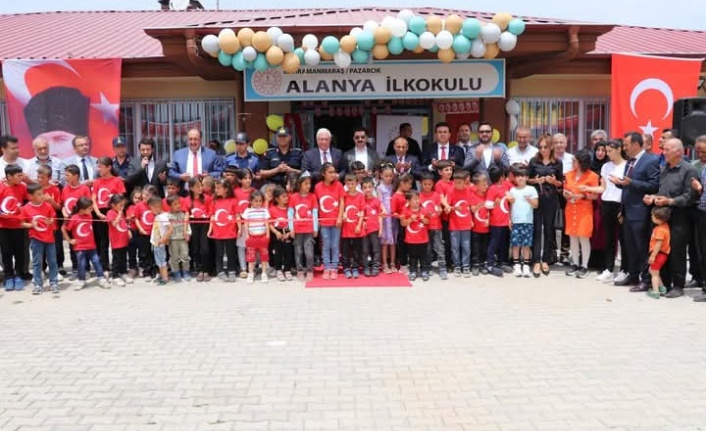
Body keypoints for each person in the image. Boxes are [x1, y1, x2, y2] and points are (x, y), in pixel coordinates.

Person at [642, 138, 699, 298]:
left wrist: (670, 201)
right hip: (663, 217)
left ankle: (678, 285)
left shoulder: (689, 170)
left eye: (667, 149)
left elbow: (690, 196)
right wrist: (653, 197)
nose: (664, 152)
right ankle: (664, 283)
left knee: (677, 251)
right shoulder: (665, 169)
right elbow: (662, 192)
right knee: (663, 249)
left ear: (678, 152)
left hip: (681, 217)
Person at [611, 132, 660, 289]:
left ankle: (646, 279)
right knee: (630, 247)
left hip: (641, 212)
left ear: (636, 145)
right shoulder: (630, 162)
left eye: (626, 145)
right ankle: (633, 275)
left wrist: (631, 183)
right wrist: (619, 183)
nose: (624, 148)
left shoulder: (650, 160)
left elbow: (654, 185)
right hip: (628, 210)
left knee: (642, 247)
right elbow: (629, 184)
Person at [582, 140, 628, 283]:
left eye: (610, 151)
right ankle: (608, 268)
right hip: (607, 204)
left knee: (623, 238)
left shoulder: (627, 166)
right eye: (606, 151)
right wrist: (588, 188)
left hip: (620, 204)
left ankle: (624, 269)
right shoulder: (606, 166)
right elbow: (603, 188)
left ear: (619, 149)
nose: (607, 154)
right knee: (609, 238)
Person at [527, 135, 564, 276]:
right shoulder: (534, 161)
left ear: (551, 147)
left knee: (549, 229)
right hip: (536, 198)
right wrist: (537, 181)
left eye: (545, 147)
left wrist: (553, 181)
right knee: (536, 229)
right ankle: (536, 260)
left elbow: (560, 183)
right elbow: (527, 179)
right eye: (540, 147)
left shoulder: (557, 162)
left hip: (551, 198)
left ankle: (546, 260)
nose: (543, 150)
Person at [564, 150, 599, 279]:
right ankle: (575, 263)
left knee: (583, 237)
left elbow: (595, 196)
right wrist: (567, 195)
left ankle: (584, 266)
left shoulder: (592, 176)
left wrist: (582, 196)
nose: (572, 163)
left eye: (575, 161)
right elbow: (565, 190)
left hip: (584, 210)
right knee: (572, 237)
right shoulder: (569, 174)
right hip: (571, 208)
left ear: (581, 162)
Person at [62, 197, 110, 290]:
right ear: (81, 209)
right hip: (80, 247)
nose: (92, 210)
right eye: (89, 208)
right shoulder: (74, 218)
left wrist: (103, 217)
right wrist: (69, 240)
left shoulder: (90, 216)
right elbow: (63, 228)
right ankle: (81, 280)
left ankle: (101, 278)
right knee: (81, 264)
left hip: (91, 246)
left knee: (97, 262)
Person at [21, 183, 58, 295]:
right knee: (37, 263)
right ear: (30, 196)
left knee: (52, 261)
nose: (42, 196)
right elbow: (21, 223)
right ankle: (37, 284)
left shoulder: (48, 206)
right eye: (39, 194)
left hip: (49, 238)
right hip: (36, 239)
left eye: (42, 193)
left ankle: (54, 282)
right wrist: (31, 225)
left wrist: (50, 221)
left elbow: (53, 218)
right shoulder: (25, 208)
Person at [92, 157, 126, 271]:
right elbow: (93, 199)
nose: (99, 169)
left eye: (101, 167)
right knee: (103, 241)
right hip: (100, 213)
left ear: (109, 167)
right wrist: (98, 213)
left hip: (113, 212)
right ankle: (105, 267)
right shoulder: (97, 182)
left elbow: (121, 200)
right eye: (98, 167)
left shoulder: (117, 181)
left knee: (117, 240)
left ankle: (118, 266)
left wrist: (118, 213)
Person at [0, 164, 29, 291]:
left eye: (21, 175)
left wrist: (22, 211)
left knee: (19, 251)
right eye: (19, 175)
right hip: (3, 226)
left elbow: (27, 202)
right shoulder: (1, 187)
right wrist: (2, 214)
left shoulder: (22, 187)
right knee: (6, 252)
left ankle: (18, 275)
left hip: (18, 225)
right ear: (9, 176)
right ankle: (8, 276)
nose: (21, 177)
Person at [506, 167, 539, 277]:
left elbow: (536, 205)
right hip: (515, 221)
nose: (520, 178)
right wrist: (509, 219)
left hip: (527, 221)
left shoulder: (531, 189)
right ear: (514, 178)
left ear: (527, 177)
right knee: (515, 244)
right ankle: (516, 265)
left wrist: (529, 199)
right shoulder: (512, 190)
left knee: (526, 244)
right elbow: (510, 206)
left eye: (522, 176)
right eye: (517, 176)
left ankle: (526, 265)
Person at [61, 164, 92, 280]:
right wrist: (64, 213)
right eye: (65, 175)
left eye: (68, 175)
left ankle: (86, 268)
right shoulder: (65, 188)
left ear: (76, 176)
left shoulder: (84, 189)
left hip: (82, 223)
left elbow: (89, 206)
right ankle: (75, 269)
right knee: (73, 246)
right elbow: (63, 205)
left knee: (84, 246)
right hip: (70, 222)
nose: (65, 177)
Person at [314, 162, 344, 280]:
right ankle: (327, 267)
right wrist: (317, 220)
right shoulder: (318, 187)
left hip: (336, 220)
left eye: (334, 172)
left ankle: (334, 267)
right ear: (323, 173)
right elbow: (316, 204)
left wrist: (340, 217)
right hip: (324, 221)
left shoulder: (339, 185)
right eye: (330, 172)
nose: (333, 175)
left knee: (335, 244)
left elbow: (342, 201)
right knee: (326, 244)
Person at [288, 172, 318, 281]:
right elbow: (290, 213)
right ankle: (300, 269)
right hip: (297, 229)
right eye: (306, 183)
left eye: (309, 183)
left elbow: (315, 213)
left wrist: (315, 228)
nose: (308, 186)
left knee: (309, 251)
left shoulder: (313, 197)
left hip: (309, 228)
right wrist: (291, 228)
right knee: (298, 251)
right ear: (300, 184)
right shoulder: (293, 197)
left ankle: (310, 270)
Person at [444, 170, 474, 277]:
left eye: (459, 182)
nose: (457, 185)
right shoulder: (451, 191)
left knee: (466, 246)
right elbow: (447, 208)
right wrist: (453, 208)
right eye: (455, 182)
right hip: (454, 224)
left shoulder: (469, 190)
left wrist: (471, 220)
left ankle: (466, 266)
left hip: (466, 224)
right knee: (455, 246)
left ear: (465, 182)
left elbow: (470, 206)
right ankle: (456, 265)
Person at [36, 165, 64, 279]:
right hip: (39, 224)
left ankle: (55, 269)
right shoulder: (35, 189)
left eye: (42, 177)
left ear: (49, 177)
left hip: (52, 224)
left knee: (54, 248)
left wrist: (51, 201)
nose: (39, 179)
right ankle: (41, 269)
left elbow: (59, 207)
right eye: (38, 177)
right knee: (40, 248)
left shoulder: (55, 189)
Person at [208, 178, 238, 282]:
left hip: (230, 230)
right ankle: (220, 270)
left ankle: (232, 270)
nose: (216, 190)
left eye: (219, 188)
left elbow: (237, 215)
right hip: (218, 231)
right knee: (219, 252)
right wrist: (210, 229)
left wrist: (239, 228)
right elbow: (212, 216)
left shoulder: (233, 201)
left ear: (226, 189)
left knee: (231, 251)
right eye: (215, 188)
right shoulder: (214, 201)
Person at [419, 171, 446, 280]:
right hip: (425, 227)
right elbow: (417, 210)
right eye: (425, 184)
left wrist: (439, 211)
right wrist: (422, 217)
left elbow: (439, 208)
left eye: (429, 184)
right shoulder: (419, 196)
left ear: (433, 184)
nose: (427, 186)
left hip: (436, 226)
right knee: (427, 248)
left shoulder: (436, 195)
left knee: (439, 247)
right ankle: (427, 267)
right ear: (421, 184)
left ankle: (442, 267)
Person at [485, 165, 512, 276]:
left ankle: (502, 262)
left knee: (504, 243)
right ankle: (489, 264)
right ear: (501, 177)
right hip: (496, 222)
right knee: (494, 243)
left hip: (505, 221)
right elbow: (487, 204)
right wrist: (494, 203)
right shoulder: (492, 189)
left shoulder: (506, 186)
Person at [185, 177, 212, 282]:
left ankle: (206, 270)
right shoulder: (187, 200)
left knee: (205, 248)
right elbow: (186, 214)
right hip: (193, 225)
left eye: (201, 186)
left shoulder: (207, 198)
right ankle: (200, 270)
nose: (200, 188)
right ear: (191, 188)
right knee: (195, 248)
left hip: (204, 224)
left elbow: (211, 213)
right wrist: (185, 229)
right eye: (197, 186)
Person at [401, 190, 431, 281]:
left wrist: (423, 219)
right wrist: (410, 219)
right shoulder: (405, 210)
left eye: (418, 199)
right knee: (412, 256)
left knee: (423, 256)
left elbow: (428, 222)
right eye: (415, 199)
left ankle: (424, 271)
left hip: (423, 238)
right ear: (408, 201)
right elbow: (403, 223)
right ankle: (413, 271)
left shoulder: (423, 210)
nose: (417, 201)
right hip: (411, 239)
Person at [241, 190, 270, 283]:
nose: (258, 203)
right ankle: (251, 274)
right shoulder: (247, 211)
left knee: (264, 257)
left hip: (262, 237)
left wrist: (268, 235)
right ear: (251, 201)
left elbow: (267, 223)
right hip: (252, 238)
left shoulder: (264, 210)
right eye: (256, 201)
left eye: (260, 201)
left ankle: (264, 273)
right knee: (251, 258)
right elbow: (246, 224)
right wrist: (247, 235)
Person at [105, 194, 133, 287]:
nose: (122, 207)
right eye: (120, 205)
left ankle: (123, 272)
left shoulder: (121, 212)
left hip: (123, 239)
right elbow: (114, 224)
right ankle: (115, 276)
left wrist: (128, 231)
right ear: (113, 205)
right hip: (116, 241)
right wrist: (119, 214)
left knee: (123, 258)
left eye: (123, 205)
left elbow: (123, 223)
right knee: (116, 259)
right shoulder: (110, 213)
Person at [340, 174, 365, 279]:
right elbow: (341, 208)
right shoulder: (344, 195)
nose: (350, 186)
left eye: (353, 184)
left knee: (356, 249)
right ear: (345, 184)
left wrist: (359, 225)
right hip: (346, 227)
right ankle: (346, 268)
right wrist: (343, 214)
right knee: (345, 250)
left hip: (356, 227)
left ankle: (355, 267)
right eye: (348, 184)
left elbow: (362, 211)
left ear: (357, 183)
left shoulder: (361, 196)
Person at [268, 186, 294, 282]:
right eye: (283, 196)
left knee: (288, 252)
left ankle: (287, 270)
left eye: (286, 196)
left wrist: (289, 233)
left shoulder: (290, 209)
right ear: (277, 199)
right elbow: (269, 223)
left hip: (287, 232)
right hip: (277, 233)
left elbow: (293, 221)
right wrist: (276, 232)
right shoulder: (272, 209)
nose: (286, 198)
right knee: (277, 252)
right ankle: (278, 269)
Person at [691, 136, 706, 301]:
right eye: (698, 152)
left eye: (703, 152)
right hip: (701, 213)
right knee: (702, 252)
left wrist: (700, 187)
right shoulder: (702, 168)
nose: (700, 155)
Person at [133, 185, 158, 279]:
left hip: (154, 233)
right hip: (143, 233)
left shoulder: (156, 204)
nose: (144, 196)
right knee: (144, 252)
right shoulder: (139, 206)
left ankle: (154, 270)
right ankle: (146, 271)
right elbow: (136, 218)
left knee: (154, 252)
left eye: (147, 195)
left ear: (153, 195)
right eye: (144, 194)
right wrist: (140, 229)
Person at [234, 169, 256, 278]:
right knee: (241, 247)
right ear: (239, 180)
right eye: (245, 178)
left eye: (249, 178)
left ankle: (252, 267)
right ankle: (243, 268)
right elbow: (235, 208)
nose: (248, 180)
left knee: (252, 246)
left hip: (253, 224)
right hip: (241, 224)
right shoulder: (235, 192)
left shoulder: (254, 191)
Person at [391, 173, 414, 273]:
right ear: (402, 183)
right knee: (402, 244)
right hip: (402, 224)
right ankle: (403, 264)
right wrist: (400, 216)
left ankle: (412, 262)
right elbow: (393, 212)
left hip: (411, 223)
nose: (410, 186)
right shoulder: (395, 196)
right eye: (409, 184)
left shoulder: (408, 194)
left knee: (411, 243)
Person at [647, 207, 671, 299]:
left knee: (654, 274)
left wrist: (653, 256)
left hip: (658, 254)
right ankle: (662, 287)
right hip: (662, 254)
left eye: (652, 216)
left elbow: (658, 244)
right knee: (652, 270)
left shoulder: (660, 230)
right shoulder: (665, 226)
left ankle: (655, 291)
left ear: (659, 219)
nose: (651, 217)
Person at [166, 194, 192, 282]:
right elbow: (166, 229)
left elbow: (187, 225)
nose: (178, 206)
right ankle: (176, 272)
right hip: (172, 240)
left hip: (183, 239)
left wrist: (188, 234)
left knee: (185, 255)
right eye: (175, 204)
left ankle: (186, 272)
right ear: (170, 206)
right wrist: (166, 239)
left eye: (179, 203)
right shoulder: (167, 216)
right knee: (174, 257)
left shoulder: (183, 215)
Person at [377, 163, 397, 273]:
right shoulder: (379, 188)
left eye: (390, 176)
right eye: (386, 176)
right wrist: (383, 209)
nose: (389, 178)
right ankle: (384, 263)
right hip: (385, 217)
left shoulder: (393, 187)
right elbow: (379, 201)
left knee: (393, 240)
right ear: (381, 175)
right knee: (385, 241)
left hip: (393, 216)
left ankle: (393, 263)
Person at [361, 177, 383, 277]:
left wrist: (381, 229)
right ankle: (366, 267)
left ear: (373, 187)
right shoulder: (361, 200)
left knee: (376, 249)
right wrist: (362, 222)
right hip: (364, 231)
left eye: (369, 187)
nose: (368, 189)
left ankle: (375, 267)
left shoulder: (377, 201)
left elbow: (381, 215)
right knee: (365, 250)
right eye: (365, 187)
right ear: (362, 189)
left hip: (375, 229)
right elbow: (358, 214)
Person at [470, 173, 490, 276]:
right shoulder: (473, 195)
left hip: (486, 228)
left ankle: (483, 264)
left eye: (487, 184)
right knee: (476, 248)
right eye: (483, 185)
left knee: (484, 247)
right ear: (476, 186)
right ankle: (475, 265)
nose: (486, 186)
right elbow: (472, 210)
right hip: (476, 228)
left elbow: (490, 210)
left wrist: (489, 220)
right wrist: (479, 206)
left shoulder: (488, 195)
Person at [149, 196, 172, 286]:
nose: (151, 210)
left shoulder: (163, 217)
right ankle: (162, 277)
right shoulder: (158, 216)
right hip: (155, 242)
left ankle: (165, 278)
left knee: (162, 261)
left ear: (157, 207)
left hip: (160, 243)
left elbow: (170, 229)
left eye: (151, 208)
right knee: (159, 262)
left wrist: (164, 239)